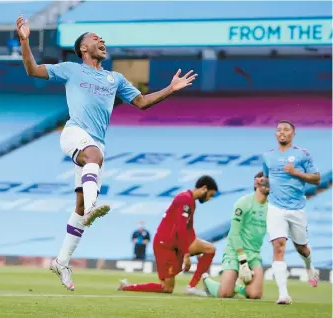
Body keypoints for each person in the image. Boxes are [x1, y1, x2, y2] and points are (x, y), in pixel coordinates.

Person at [16, 17, 198, 291]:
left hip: (98, 142)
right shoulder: (70, 69)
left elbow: (142, 102)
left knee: (79, 203)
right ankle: (92, 208)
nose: (102, 41)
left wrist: (171, 89)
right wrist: (25, 40)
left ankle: (62, 261)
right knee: (93, 160)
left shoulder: (116, 78)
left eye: (103, 38)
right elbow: (32, 70)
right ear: (83, 48)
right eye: (96, 38)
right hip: (75, 133)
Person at [118, 176, 218, 294]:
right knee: (167, 288)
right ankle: (127, 287)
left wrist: (196, 247)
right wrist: (186, 254)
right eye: (210, 195)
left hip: (175, 243)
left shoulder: (190, 201)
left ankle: (191, 286)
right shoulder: (185, 199)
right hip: (165, 245)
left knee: (209, 249)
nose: (209, 199)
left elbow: (189, 228)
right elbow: (181, 228)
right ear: (204, 188)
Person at [262, 120, 320, 305]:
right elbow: (266, 179)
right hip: (275, 207)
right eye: (279, 130)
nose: (282, 133)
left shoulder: (302, 154)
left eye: (286, 130)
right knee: (278, 246)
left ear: (293, 134)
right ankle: (283, 294)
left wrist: (296, 173)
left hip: (296, 208)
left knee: (301, 247)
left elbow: (316, 178)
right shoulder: (267, 156)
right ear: (275, 134)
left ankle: (310, 267)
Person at [202, 172, 269, 299]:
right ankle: (207, 281)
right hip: (235, 251)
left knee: (255, 295)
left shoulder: (272, 207)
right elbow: (234, 233)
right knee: (225, 294)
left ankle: (238, 287)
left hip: (254, 254)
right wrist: (242, 260)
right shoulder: (244, 202)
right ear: (256, 183)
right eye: (264, 181)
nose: (268, 185)